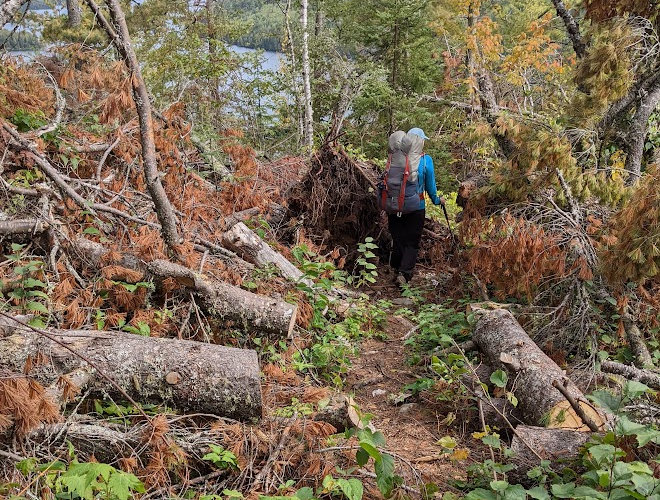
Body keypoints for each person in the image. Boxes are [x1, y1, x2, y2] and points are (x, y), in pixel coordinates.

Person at [388, 127, 445, 287]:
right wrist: (436, 200)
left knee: (397, 237)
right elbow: (430, 186)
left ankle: (395, 268)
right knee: (412, 241)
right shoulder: (426, 160)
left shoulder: (395, 156)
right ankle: (404, 274)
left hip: (394, 206)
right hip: (416, 206)